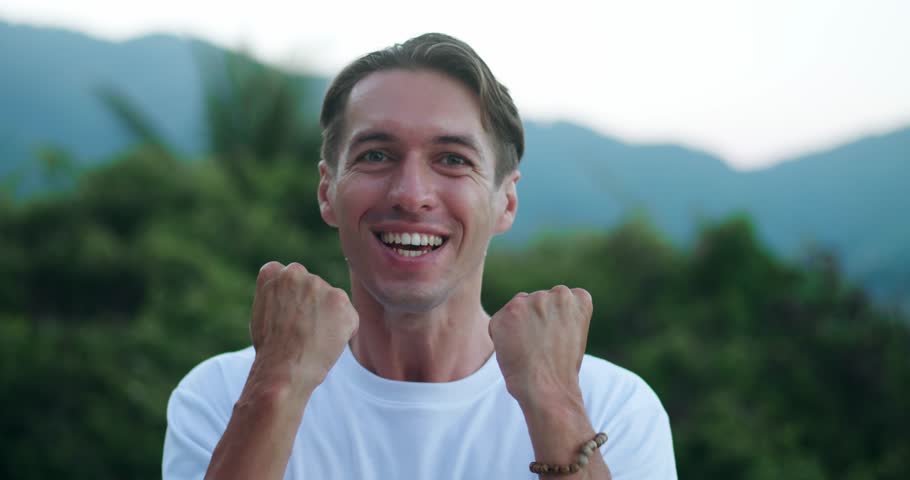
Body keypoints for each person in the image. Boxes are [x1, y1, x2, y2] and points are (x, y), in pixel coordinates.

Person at [163, 33, 677, 479]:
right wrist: (277, 386)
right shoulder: (225, 393)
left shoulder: (613, 406)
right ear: (327, 191)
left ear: (507, 202)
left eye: (453, 160)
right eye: (376, 155)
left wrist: (552, 401)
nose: (411, 194)